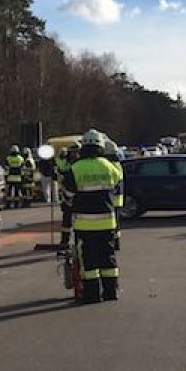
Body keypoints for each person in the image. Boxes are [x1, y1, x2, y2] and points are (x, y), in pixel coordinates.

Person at [63, 129, 124, 303]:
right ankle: (111, 292)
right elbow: (117, 183)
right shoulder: (108, 166)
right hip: (107, 222)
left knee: (89, 261)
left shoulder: (76, 168)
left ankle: (92, 295)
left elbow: (67, 193)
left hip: (84, 224)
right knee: (108, 258)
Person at [56, 142, 80, 248]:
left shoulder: (79, 164)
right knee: (66, 221)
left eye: (77, 152)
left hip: (79, 196)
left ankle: (77, 242)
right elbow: (60, 173)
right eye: (73, 153)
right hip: (66, 196)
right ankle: (64, 241)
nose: (75, 155)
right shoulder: (66, 163)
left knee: (79, 222)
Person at [103, 137, 125, 251]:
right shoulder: (117, 164)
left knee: (111, 224)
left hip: (111, 199)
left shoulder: (109, 165)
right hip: (118, 199)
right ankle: (116, 243)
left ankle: (113, 243)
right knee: (116, 223)